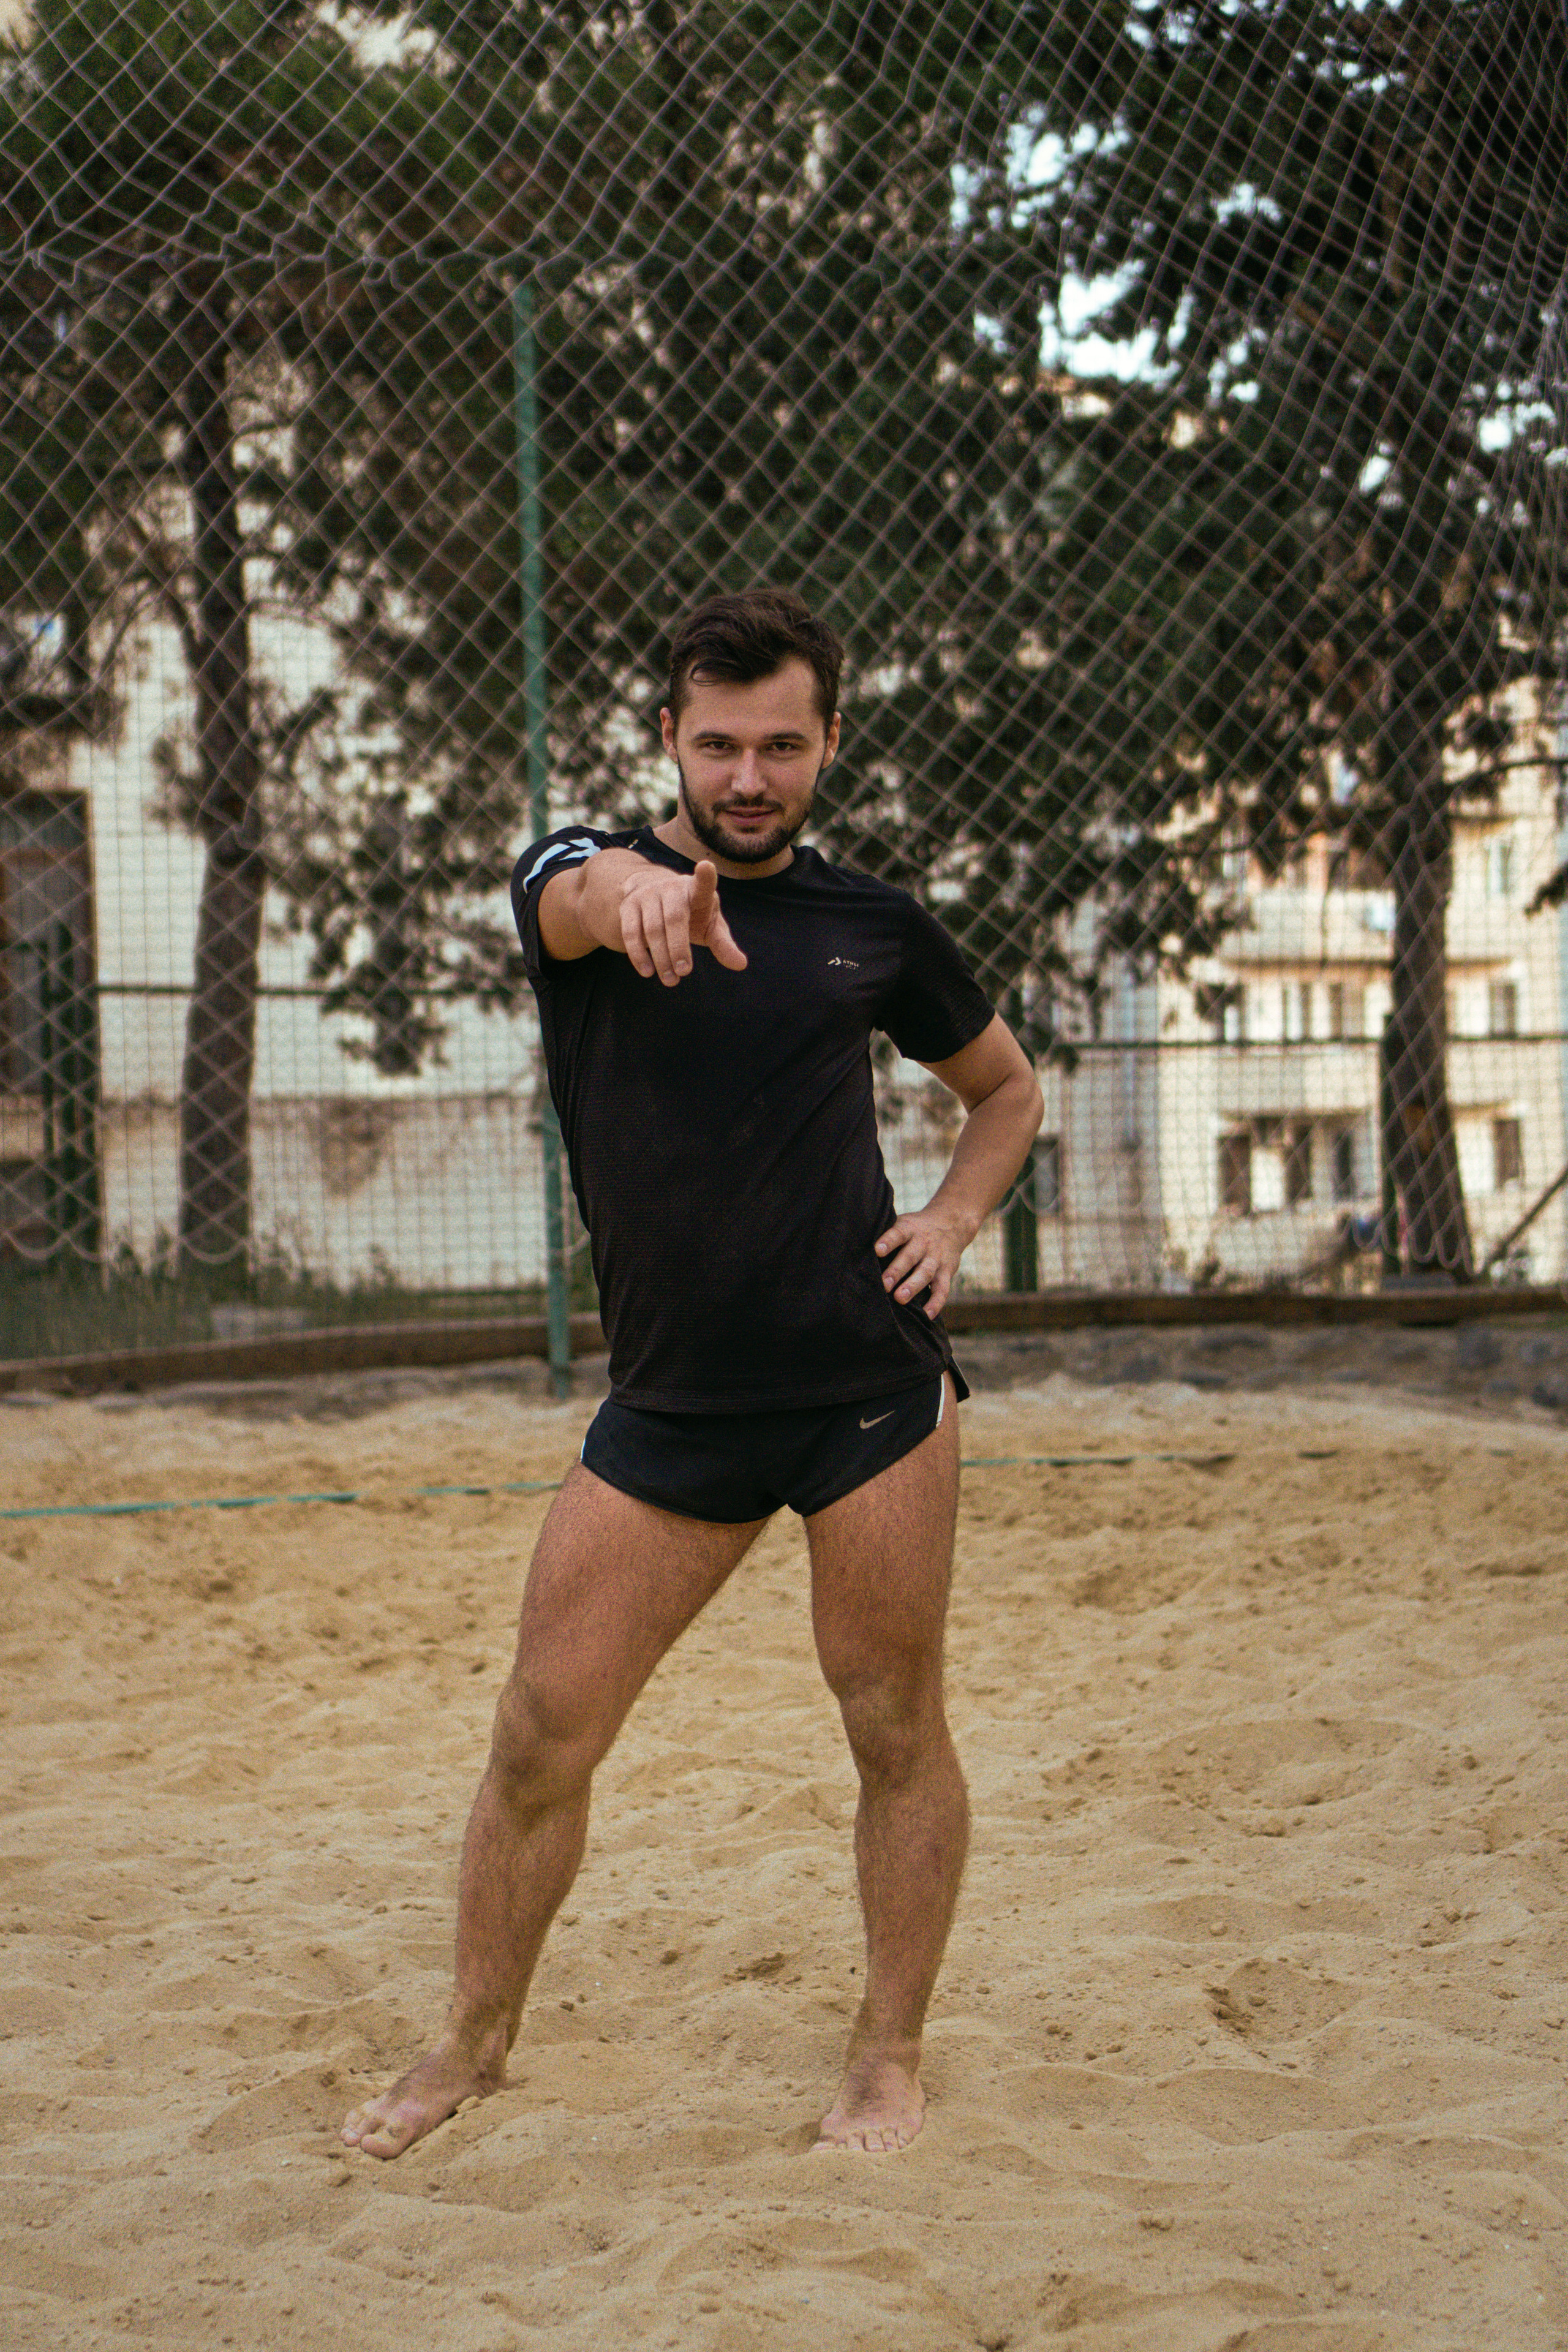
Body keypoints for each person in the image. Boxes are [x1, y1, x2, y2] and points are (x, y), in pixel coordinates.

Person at [341, 586, 1042, 2160]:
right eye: (716, 745)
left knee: (891, 1725)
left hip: (865, 1394)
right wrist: (626, 892)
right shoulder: (580, 892)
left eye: (780, 747)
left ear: (828, 744)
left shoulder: (870, 925)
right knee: (540, 1732)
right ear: (667, 738)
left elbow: (1003, 1090)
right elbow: (565, 892)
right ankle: (467, 2042)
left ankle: (884, 2052)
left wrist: (949, 1214)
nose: (746, 778)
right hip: (667, 1409)